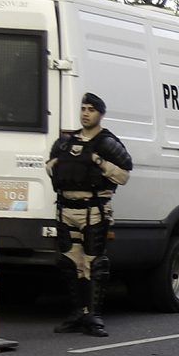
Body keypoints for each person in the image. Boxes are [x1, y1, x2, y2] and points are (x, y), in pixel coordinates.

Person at [46, 92, 133, 337]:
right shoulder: (65, 142)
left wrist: (99, 163)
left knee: (93, 262)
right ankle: (77, 313)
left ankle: (93, 316)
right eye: (83, 108)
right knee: (70, 262)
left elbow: (125, 174)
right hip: (66, 208)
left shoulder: (107, 143)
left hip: (93, 210)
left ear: (100, 114)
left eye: (91, 109)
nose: (85, 113)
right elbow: (50, 166)